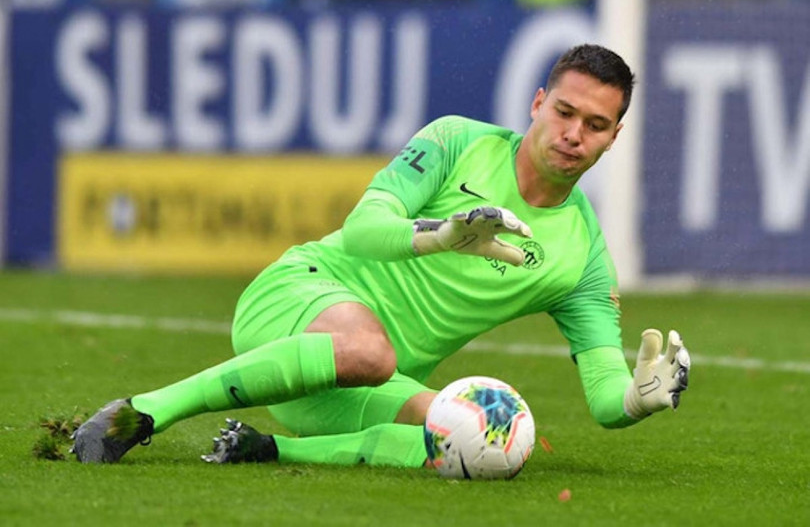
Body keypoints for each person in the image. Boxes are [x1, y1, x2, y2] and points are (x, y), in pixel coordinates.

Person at [71, 44, 691, 467]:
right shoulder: (457, 141)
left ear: (614, 137)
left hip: (349, 387)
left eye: (595, 125)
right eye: (563, 112)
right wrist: (441, 235)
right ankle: (144, 412)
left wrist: (636, 400)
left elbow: (604, 392)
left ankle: (266, 450)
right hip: (293, 302)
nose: (573, 135)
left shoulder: (582, 258)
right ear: (537, 104)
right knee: (370, 349)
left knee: (479, 440)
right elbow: (363, 229)